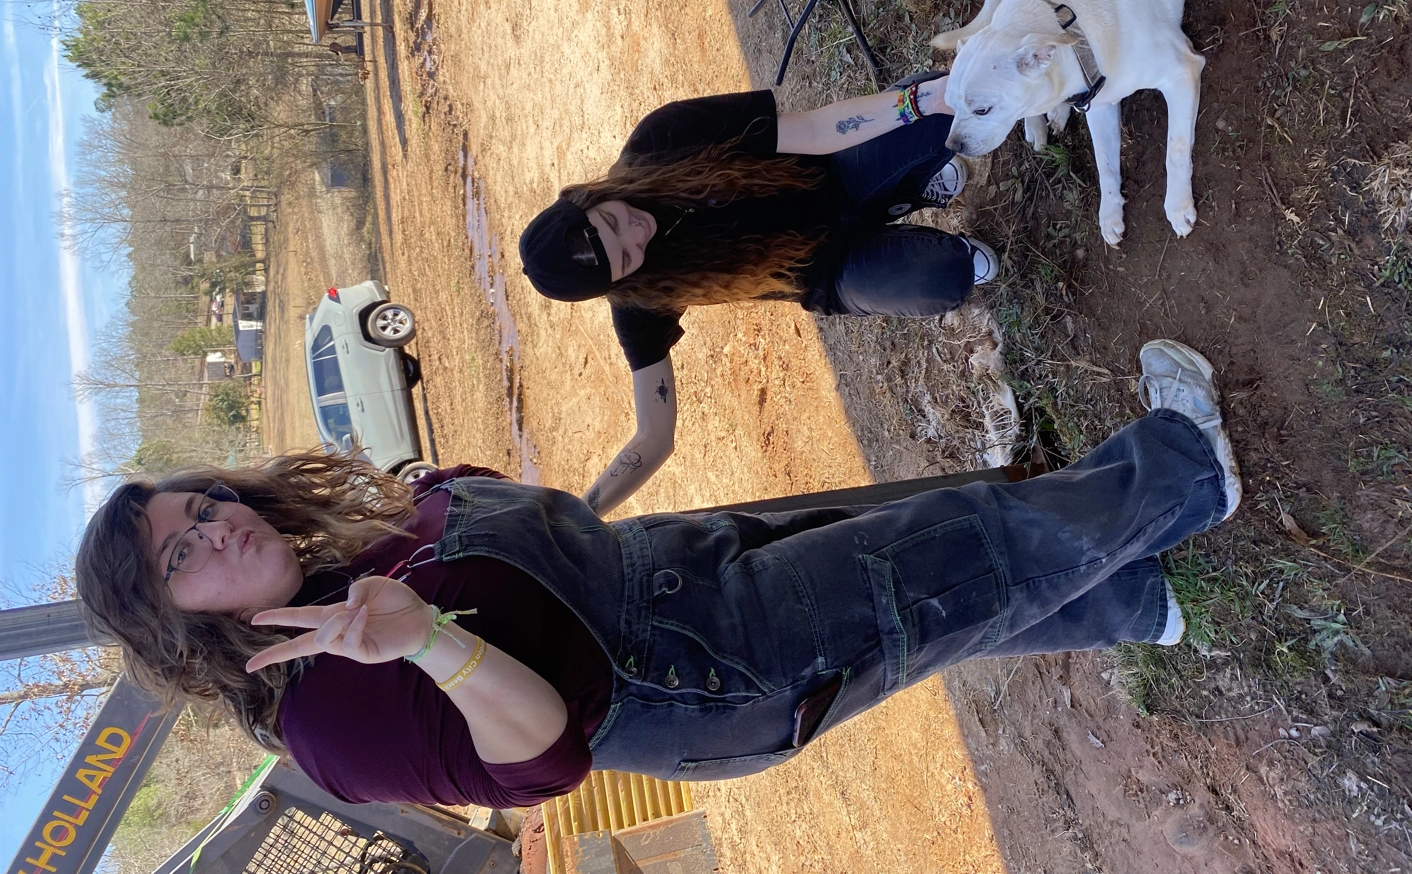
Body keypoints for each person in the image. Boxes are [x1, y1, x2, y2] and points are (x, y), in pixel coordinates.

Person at [77, 340, 1240, 809]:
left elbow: (494, 523)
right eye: (182, 557)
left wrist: (440, 503)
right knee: (955, 549)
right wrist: (428, 642)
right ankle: (1188, 470)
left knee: (932, 591)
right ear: (180, 627)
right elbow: (542, 758)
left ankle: (1136, 598)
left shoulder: (336, 564)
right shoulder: (325, 722)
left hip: (674, 569)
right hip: (698, 669)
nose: (216, 529)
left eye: (201, 506)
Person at [518, 76, 999, 515]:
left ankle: (911, 188)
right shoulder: (639, 302)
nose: (636, 233)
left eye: (612, 220)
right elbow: (653, 435)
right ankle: (922, 227)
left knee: (941, 113)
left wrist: (918, 101)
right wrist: (579, 517)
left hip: (833, 173)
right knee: (944, 276)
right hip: (828, 273)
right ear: (618, 284)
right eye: (626, 258)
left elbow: (815, 129)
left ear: (587, 197)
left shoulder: (660, 139)